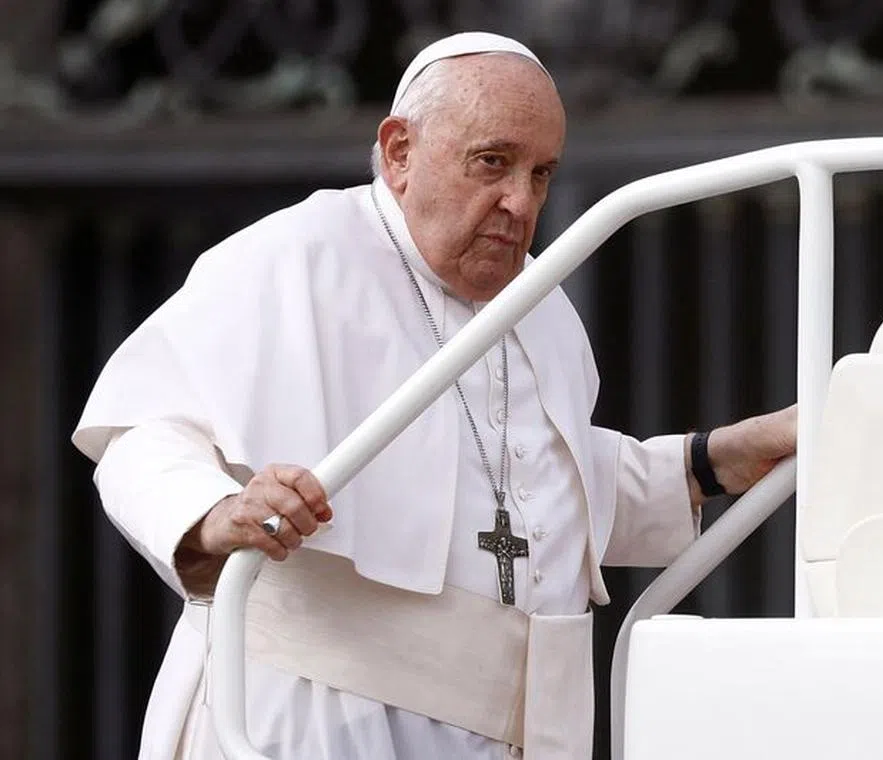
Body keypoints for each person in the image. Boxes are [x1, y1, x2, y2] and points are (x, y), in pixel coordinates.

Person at [73, 31, 797, 760]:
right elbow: (143, 431)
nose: (520, 201)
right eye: (493, 162)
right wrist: (215, 514)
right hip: (317, 718)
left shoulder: (542, 304)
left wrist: (722, 459)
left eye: (541, 173)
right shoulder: (292, 258)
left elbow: (537, 490)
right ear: (398, 152)